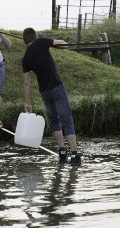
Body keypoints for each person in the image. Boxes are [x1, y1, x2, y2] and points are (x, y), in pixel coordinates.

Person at [22, 28, 81, 163]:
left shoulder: (25, 58)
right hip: (57, 87)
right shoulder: (41, 42)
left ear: (25, 40)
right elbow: (61, 44)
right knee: (67, 120)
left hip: (44, 92)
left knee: (55, 121)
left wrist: (28, 102)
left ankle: (61, 151)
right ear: (35, 36)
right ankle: (74, 154)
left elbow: (26, 83)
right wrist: (66, 43)